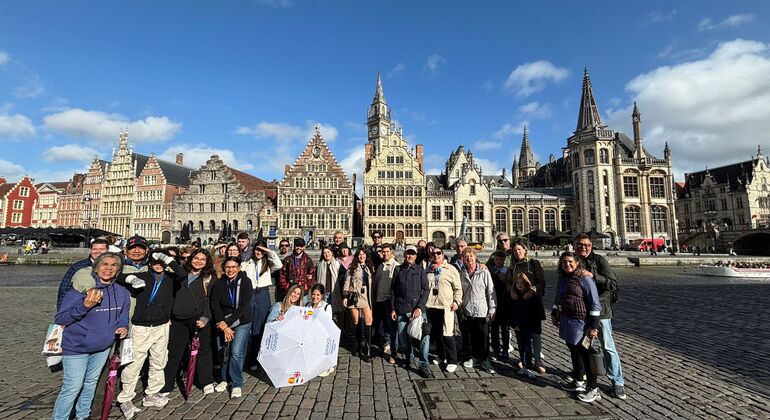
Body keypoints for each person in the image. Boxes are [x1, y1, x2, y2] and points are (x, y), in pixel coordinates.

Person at [52, 253, 130, 420]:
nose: (108, 268)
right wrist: (84, 307)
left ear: (118, 270)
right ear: (96, 267)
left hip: (102, 347)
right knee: (72, 387)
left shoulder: (122, 292)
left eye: (113, 265)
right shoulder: (80, 291)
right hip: (76, 347)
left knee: (90, 384)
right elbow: (60, 318)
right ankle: (60, 417)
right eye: (105, 264)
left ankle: (83, 415)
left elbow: (123, 314)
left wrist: (122, 326)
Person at [116, 251, 186, 418]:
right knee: (135, 362)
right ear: (149, 264)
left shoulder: (171, 279)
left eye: (160, 262)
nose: (158, 264)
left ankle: (152, 393)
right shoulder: (143, 276)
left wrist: (167, 258)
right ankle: (125, 397)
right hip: (141, 325)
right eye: (154, 262)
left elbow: (183, 273)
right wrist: (130, 279)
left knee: (159, 359)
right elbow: (118, 277)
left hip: (161, 325)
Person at [573, 234, 627, 400]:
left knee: (607, 346)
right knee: (582, 346)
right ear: (574, 245)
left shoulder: (600, 261)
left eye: (587, 245)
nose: (584, 247)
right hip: (580, 311)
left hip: (601, 311)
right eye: (580, 245)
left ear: (591, 246)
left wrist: (593, 276)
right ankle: (582, 377)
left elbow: (613, 283)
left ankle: (617, 381)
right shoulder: (572, 260)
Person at [161, 248, 215, 397]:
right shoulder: (180, 275)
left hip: (198, 319)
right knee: (174, 352)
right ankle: (167, 384)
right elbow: (170, 296)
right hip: (178, 319)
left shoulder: (209, 278)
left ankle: (206, 381)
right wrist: (169, 316)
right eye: (196, 258)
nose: (198, 261)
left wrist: (205, 318)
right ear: (191, 259)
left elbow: (211, 301)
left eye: (202, 259)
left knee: (203, 351)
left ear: (206, 262)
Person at [552, 251, 602, 403]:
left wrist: (593, 325)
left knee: (586, 354)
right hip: (567, 319)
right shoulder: (563, 278)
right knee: (574, 350)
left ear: (577, 262)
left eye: (569, 261)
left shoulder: (585, 278)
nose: (567, 264)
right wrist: (555, 312)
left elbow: (594, 302)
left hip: (582, 321)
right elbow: (558, 296)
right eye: (564, 262)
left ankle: (593, 388)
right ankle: (578, 381)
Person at [210, 256, 253, 399]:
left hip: (241, 320)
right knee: (223, 350)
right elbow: (214, 305)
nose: (231, 270)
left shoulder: (246, 282)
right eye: (228, 267)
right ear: (224, 268)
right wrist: (222, 323)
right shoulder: (218, 283)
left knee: (235, 352)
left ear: (239, 268)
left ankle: (236, 383)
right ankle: (224, 379)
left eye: (234, 267)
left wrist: (227, 324)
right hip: (223, 321)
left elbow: (244, 306)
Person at [241, 242, 282, 371]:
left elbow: (279, 264)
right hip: (250, 294)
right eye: (256, 250)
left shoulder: (268, 264)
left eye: (260, 250)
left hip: (263, 293)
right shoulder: (247, 263)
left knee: (260, 327)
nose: (258, 252)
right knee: (246, 326)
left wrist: (268, 251)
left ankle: (254, 358)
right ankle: (244, 356)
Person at [390, 245, 430, 377]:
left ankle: (423, 364)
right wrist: (393, 309)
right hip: (401, 309)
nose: (410, 256)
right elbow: (393, 291)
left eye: (412, 254)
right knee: (403, 338)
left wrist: (419, 307)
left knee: (423, 338)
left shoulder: (420, 270)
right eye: (408, 253)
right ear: (404, 254)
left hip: (416, 310)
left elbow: (426, 289)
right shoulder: (398, 270)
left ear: (416, 256)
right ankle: (409, 358)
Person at [509, 240, 546, 373]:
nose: (517, 252)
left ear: (525, 250)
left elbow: (542, 282)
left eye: (519, 249)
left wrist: (532, 291)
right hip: (519, 303)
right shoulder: (513, 266)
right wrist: (511, 291)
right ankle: (524, 358)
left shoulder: (533, 263)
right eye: (515, 250)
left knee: (535, 333)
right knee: (520, 332)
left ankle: (537, 360)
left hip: (533, 303)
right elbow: (509, 283)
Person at [459, 248, 497, 373]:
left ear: (475, 257)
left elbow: (491, 291)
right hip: (468, 309)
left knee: (484, 336)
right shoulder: (462, 273)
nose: (468, 258)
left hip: (481, 309)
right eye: (466, 256)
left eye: (470, 256)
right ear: (463, 259)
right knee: (473, 336)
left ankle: (485, 359)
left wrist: (492, 309)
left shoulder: (484, 272)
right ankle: (475, 357)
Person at [425, 248, 463, 372]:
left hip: (446, 306)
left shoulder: (451, 269)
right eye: (433, 254)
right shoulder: (428, 270)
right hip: (432, 305)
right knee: (437, 333)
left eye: (438, 253)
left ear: (443, 255)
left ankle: (452, 360)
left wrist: (457, 302)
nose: (436, 255)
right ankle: (442, 356)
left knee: (448, 333)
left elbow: (458, 288)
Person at [56, 238, 108, 311]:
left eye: (101, 249)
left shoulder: (113, 267)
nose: (98, 252)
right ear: (90, 250)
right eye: (95, 249)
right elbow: (64, 289)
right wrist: (61, 311)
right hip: (82, 307)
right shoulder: (78, 267)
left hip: (106, 307)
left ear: (107, 251)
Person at [343, 248, 375, 362]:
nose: (362, 256)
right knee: (356, 322)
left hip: (366, 296)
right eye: (359, 254)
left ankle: (367, 349)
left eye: (363, 254)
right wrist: (345, 296)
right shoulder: (352, 267)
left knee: (368, 321)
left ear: (366, 255)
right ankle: (357, 346)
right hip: (354, 296)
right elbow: (347, 282)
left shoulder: (370, 267)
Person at [511, 272, 543, 379]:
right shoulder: (514, 296)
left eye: (522, 283)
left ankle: (528, 366)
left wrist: (536, 327)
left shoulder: (531, 296)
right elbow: (512, 312)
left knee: (527, 347)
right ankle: (524, 366)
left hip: (528, 325)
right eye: (518, 283)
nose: (520, 285)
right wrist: (513, 324)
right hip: (518, 326)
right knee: (521, 346)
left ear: (526, 284)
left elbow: (535, 313)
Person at [372, 243, 398, 358]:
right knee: (385, 324)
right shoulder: (381, 265)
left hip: (389, 300)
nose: (385, 254)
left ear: (391, 252)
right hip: (380, 299)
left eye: (387, 252)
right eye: (384, 252)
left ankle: (394, 348)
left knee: (392, 325)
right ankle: (387, 342)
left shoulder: (396, 266)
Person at [307, 284, 336, 377]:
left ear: (322, 296)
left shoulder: (327, 307)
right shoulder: (308, 306)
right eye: (313, 294)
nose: (315, 297)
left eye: (318, 295)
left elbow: (327, 325)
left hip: (321, 334)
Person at [488, 250, 511, 361]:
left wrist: (506, 280)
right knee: (494, 327)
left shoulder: (506, 270)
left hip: (504, 302)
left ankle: (505, 349)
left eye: (501, 259)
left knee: (505, 328)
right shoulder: (490, 270)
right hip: (493, 301)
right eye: (497, 259)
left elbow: (510, 284)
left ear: (504, 261)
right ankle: (495, 348)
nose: (498, 261)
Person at [316, 246, 345, 320]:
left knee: (334, 313)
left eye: (328, 252)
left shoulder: (337, 264)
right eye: (324, 253)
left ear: (332, 253)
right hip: (324, 292)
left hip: (334, 292)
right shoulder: (320, 265)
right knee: (323, 312)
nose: (327, 254)